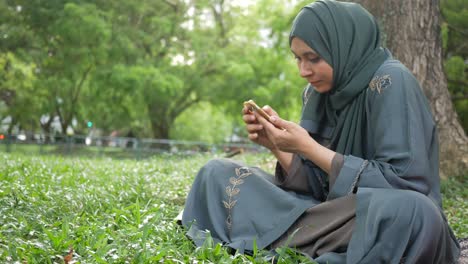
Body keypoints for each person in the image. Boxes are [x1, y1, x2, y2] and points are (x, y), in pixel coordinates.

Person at [181, 0, 461, 263]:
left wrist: (307, 147)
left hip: (375, 214)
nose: (304, 70)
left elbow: (405, 182)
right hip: (329, 216)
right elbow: (318, 186)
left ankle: (287, 236)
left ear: (343, 46)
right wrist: (278, 146)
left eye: (312, 58)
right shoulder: (317, 93)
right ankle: (301, 238)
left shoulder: (389, 82)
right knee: (216, 172)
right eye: (298, 59)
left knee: (415, 214)